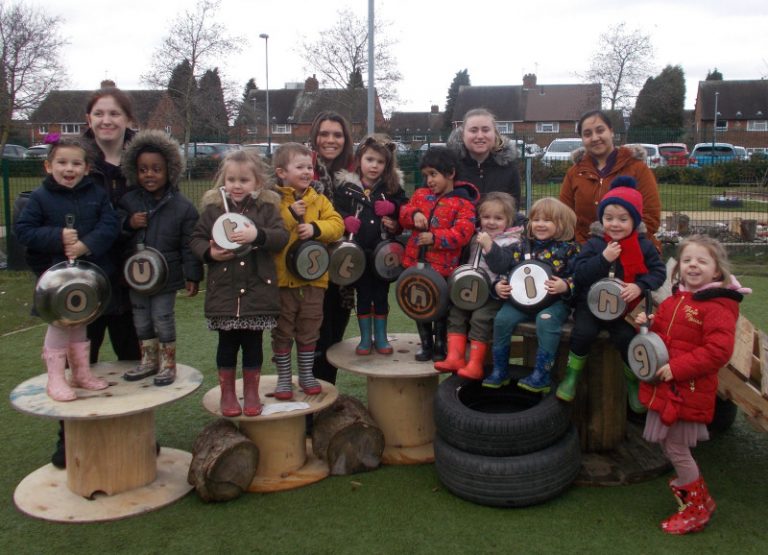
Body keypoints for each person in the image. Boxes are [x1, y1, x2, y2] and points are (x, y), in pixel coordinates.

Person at [635, 235, 750, 534]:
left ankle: (696, 507)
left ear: (717, 270)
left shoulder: (717, 306)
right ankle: (700, 501)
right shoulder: (676, 298)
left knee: (676, 447)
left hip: (688, 389)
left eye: (702, 261)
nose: (693, 265)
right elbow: (662, 330)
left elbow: (718, 351)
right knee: (669, 445)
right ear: (679, 267)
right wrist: (647, 324)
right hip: (670, 387)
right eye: (687, 260)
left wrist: (677, 368)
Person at [14, 137, 119, 401]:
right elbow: (24, 231)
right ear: (49, 166)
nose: (68, 169)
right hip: (55, 279)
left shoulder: (97, 194)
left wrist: (86, 245)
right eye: (62, 162)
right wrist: (57, 236)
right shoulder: (39, 197)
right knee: (60, 324)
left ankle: (81, 373)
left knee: (80, 322)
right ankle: (56, 378)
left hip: (87, 276)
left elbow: (109, 226)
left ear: (86, 168)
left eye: (75, 163)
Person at [190, 150, 288, 417]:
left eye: (244, 180)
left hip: (258, 291)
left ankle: (252, 393)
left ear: (257, 182)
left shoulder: (267, 208)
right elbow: (197, 238)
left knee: (253, 345)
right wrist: (210, 253)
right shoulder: (214, 209)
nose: (236, 185)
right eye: (231, 179)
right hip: (224, 292)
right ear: (223, 179)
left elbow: (281, 237)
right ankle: (228, 394)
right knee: (227, 345)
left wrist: (257, 234)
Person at [556, 176, 666, 411]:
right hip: (590, 304)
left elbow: (659, 273)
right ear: (601, 219)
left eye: (623, 219)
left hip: (625, 307)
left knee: (627, 339)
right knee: (582, 333)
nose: (615, 224)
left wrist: (640, 285)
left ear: (634, 221)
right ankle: (571, 376)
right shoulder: (595, 244)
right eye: (609, 218)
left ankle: (632, 383)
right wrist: (603, 259)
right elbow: (579, 273)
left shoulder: (644, 246)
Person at [118, 130, 203, 386]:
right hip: (136, 277)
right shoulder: (129, 201)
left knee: (163, 318)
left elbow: (190, 245)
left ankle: (168, 364)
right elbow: (114, 231)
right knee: (141, 319)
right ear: (135, 171)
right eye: (143, 169)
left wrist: (193, 275)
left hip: (166, 277)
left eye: (156, 169)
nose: (149, 174)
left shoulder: (182, 206)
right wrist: (128, 223)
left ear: (169, 170)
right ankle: (148, 360)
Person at [480, 198, 580, 392]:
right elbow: (503, 269)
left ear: (562, 224)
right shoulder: (521, 247)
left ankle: (542, 374)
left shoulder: (570, 249)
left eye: (547, 220)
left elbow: (580, 277)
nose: (540, 224)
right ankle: (500, 370)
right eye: (536, 219)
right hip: (520, 303)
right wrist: (498, 286)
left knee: (546, 320)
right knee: (501, 319)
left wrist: (565, 285)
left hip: (554, 304)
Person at [272, 143, 344, 400]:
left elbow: (338, 225)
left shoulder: (318, 199)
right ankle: (283, 378)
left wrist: (315, 228)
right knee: (283, 329)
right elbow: (270, 231)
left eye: (309, 167)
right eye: (299, 167)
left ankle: (305, 374)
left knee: (310, 326)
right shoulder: (274, 201)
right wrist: (291, 215)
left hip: (314, 280)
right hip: (283, 281)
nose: (306, 172)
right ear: (281, 172)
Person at [399, 146, 478, 361]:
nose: (429, 180)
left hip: (444, 267)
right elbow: (403, 213)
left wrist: (435, 238)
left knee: (441, 308)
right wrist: (414, 213)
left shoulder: (463, 203)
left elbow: (463, 233)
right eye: (426, 176)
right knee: (419, 305)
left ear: (450, 173)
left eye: (433, 174)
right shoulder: (420, 195)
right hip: (418, 265)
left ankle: (440, 345)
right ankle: (426, 344)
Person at [82, 84, 142, 363]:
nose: (106, 120)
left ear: (128, 120)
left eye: (114, 114)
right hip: (86, 274)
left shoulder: (148, 163)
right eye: (99, 113)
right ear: (88, 119)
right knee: (82, 360)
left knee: (133, 358)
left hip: (135, 277)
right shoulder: (73, 163)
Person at [333, 134, 408, 355]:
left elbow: (405, 207)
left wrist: (393, 209)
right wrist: (345, 219)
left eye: (380, 162)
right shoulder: (346, 186)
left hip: (383, 253)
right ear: (359, 160)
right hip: (356, 254)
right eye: (370, 160)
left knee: (381, 294)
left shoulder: (391, 187)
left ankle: (382, 337)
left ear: (387, 165)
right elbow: (335, 209)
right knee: (363, 295)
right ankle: (366, 338)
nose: (374, 166)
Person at [435, 192, 523, 377]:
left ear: (508, 220)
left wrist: (489, 246)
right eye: (486, 217)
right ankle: (455, 357)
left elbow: (501, 265)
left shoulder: (513, 241)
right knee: (456, 313)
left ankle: (475, 364)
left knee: (480, 319)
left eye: (498, 218)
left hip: (494, 293)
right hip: (470, 290)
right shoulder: (475, 236)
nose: (491, 222)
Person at [559, 109, 662, 249]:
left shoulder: (637, 168)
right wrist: (587, 248)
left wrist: (618, 248)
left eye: (600, 130)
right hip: (586, 253)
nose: (595, 138)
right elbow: (565, 217)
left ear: (611, 132)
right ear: (582, 139)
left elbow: (651, 216)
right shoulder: (574, 173)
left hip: (632, 250)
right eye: (587, 134)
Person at [307, 111, 356, 386]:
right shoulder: (301, 166)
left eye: (337, 134)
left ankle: (326, 397)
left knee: (333, 338)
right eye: (324, 133)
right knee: (310, 337)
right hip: (309, 266)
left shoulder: (353, 171)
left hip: (342, 269)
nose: (330, 140)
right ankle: (310, 402)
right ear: (314, 136)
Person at [446, 108, 521, 208]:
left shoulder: (508, 167)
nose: (480, 136)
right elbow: (427, 199)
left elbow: (513, 209)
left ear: (495, 134)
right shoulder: (447, 166)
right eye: (473, 130)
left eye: (485, 130)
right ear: (463, 135)